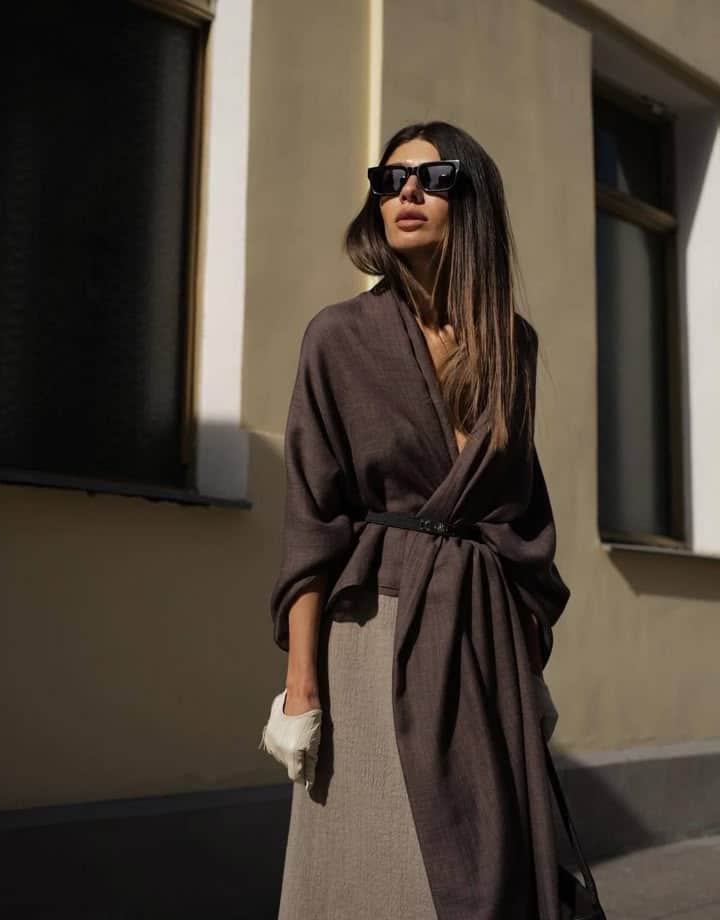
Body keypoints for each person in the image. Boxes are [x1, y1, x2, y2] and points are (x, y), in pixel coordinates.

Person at [259, 120, 569, 920]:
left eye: (434, 179)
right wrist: (301, 691)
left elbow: (519, 514)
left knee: (492, 875)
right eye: (391, 178)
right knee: (378, 867)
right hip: (374, 629)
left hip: (484, 636)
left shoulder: (511, 347)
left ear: (473, 201)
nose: (406, 192)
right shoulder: (338, 337)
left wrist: (528, 665)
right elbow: (312, 517)